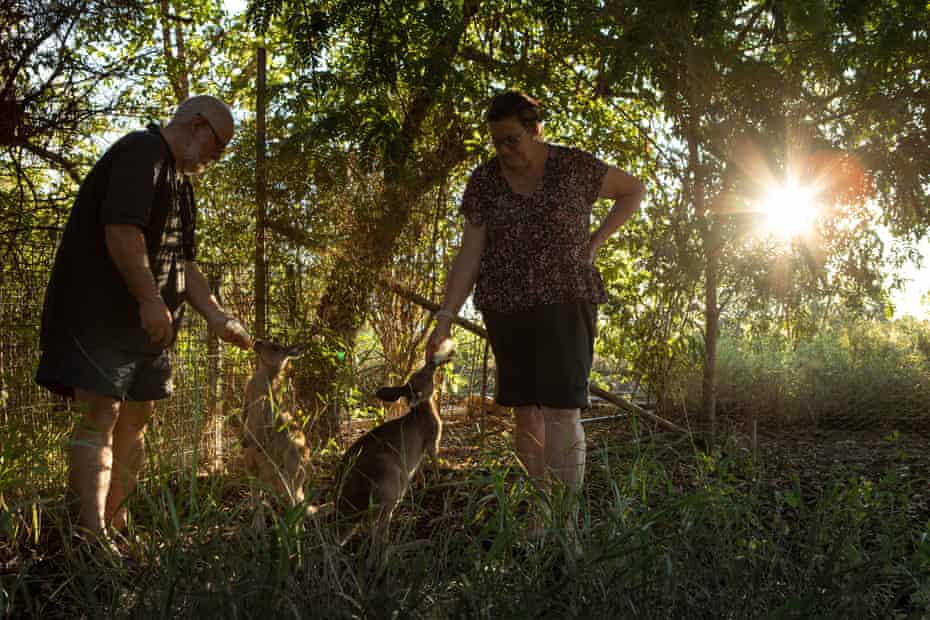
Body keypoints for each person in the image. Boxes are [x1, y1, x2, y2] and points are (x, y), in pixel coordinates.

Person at [36, 95, 252, 544]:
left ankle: (117, 527)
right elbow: (122, 230)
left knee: (138, 420)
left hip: (149, 330)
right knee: (100, 415)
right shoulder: (142, 152)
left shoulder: (181, 184)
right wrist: (151, 299)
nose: (216, 157)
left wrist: (216, 316)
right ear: (197, 125)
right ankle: (89, 540)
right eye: (218, 145)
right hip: (101, 318)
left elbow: (184, 263)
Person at [425, 91, 644, 498]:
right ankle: (542, 514)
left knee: (562, 411)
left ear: (535, 130)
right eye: (498, 142)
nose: (506, 150)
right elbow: (470, 254)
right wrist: (445, 319)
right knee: (526, 415)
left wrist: (594, 245)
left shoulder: (574, 166)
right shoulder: (485, 181)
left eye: (513, 140)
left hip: (566, 299)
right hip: (506, 307)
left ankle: (566, 521)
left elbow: (634, 190)